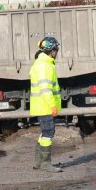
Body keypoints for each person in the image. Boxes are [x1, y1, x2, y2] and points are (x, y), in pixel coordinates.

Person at [30, 38, 62, 173]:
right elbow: (45, 89)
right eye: (56, 51)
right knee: (48, 133)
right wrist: (52, 105)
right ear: (52, 51)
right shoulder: (45, 65)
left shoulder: (41, 62)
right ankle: (45, 163)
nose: (56, 53)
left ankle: (39, 163)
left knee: (45, 133)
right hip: (45, 106)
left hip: (42, 105)